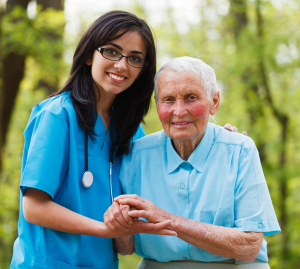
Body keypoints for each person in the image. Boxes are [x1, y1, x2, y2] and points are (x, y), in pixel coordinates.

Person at [10, 11, 178, 269]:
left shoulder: (131, 132)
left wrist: (214, 139)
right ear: (89, 55)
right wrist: (104, 230)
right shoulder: (57, 115)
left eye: (135, 58)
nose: (122, 65)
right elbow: (34, 207)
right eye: (111, 51)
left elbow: (168, 176)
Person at [105, 57, 281, 269]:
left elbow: (250, 246)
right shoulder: (136, 155)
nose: (179, 111)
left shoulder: (240, 150)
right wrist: (119, 223)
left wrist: (165, 218)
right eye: (168, 99)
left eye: (191, 98)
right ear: (157, 105)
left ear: (214, 102)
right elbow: (125, 249)